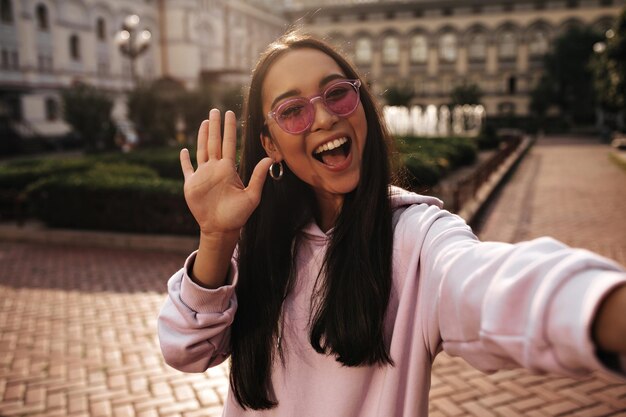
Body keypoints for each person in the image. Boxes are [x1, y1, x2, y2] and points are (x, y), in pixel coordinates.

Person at [157, 32, 626, 416]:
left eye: (336, 93)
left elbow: (490, 285)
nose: (322, 116)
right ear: (270, 144)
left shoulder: (414, 238)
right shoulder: (258, 242)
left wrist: (602, 306)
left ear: (361, 105)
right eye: (292, 110)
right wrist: (217, 237)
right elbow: (185, 350)